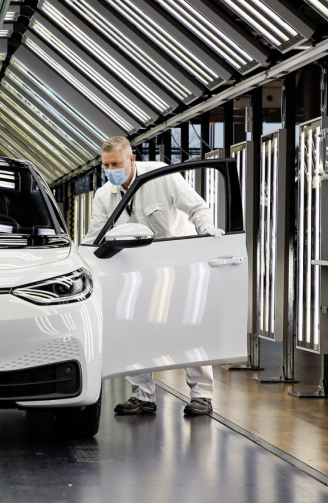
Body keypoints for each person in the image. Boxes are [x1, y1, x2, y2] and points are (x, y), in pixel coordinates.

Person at [83, 136, 223, 416]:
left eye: (116, 164)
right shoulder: (103, 195)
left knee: (189, 327)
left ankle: (202, 395)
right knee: (132, 329)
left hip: (176, 265)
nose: (111, 170)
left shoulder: (161, 176)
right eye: (106, 165)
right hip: (133, 271)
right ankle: (143, 396)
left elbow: (197, 207)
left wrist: (206, 230)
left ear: (131, 159)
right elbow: (95, 236)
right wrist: (82, 261)